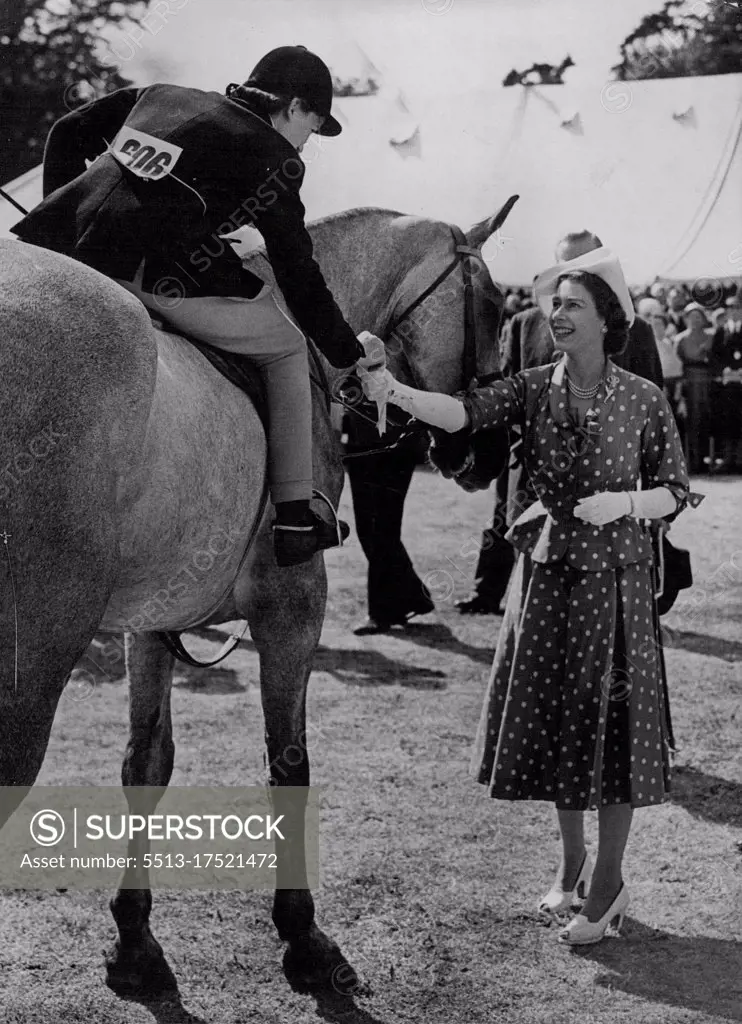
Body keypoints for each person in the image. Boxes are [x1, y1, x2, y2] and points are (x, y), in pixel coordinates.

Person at [362, 248, 698, 945]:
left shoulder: (644, 396)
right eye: (554, 302)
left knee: (611, 729)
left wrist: (626, 503)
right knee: (558, 722)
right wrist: (392, 390)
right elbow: (460, 413)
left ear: (608, 320)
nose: (556, 313)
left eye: (572, 303)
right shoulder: (533, 385)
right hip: (546, 574)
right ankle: (570, 864)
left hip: (618, 581)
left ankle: (607, 888)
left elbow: (676, 488)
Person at [11, 45, 374, 567]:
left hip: (59, 250)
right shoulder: (277, 159)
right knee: (288, 349)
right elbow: (298, 273)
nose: (307, 141)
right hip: (151, 278)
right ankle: (296, 514)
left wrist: (62, 222)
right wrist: (344, 349)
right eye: (313, 128)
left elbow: (68, 130)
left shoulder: (160, 96)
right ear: (294, 107)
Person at [456, 231, 663, 615]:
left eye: (586, 264)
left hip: (603, 471)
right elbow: (504, 393)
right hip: (530, 462)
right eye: (566, 267)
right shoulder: (525, 323)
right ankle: (489, 594)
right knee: (510, 525)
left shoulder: (635, 330)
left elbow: (654, 422)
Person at [342, 410, 434, 635]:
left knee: (382, 529)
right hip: (360, 438)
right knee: (368, 529)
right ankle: (414, 596)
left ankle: (381, 613)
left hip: (398, 441)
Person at [676, 302, 718, 473]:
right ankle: (692, 462)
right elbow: (677, 364)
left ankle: (708, 460)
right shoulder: (680, 339)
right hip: (689, 383)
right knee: (692, 422)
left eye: (698, 317)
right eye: (691, 317)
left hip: (708, 382)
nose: (695, 320)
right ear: (686, 319)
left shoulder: (711, 336)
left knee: (708, 420)